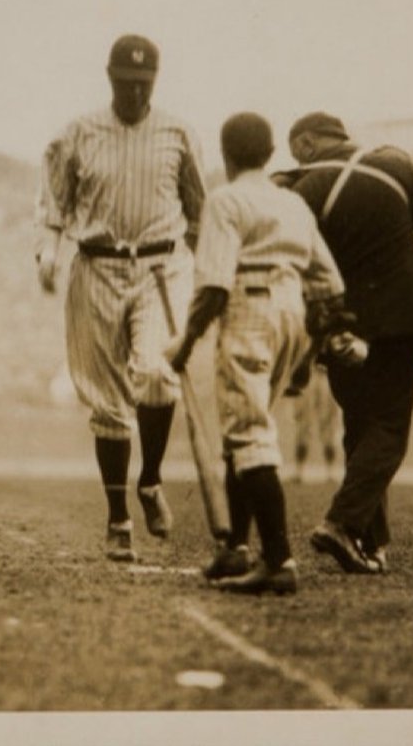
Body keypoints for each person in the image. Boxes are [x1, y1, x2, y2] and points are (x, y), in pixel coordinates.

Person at [285, 111, 413, 574]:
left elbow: (290, 263)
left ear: (310, 142)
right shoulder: (396, 164)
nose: (294, 155)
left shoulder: (303, 188)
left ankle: (369, 542)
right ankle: (342, 523)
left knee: (361, 427)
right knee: (389, 429)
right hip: (403, 318)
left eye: (295, 146)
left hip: (343, 324)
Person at [164, 112, 353, 595]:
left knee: (248, 434)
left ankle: (277, 559)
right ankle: (235, 550)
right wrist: (315, 346)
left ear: (226, 156)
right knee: (242, 427)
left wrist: (184, 344)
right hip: (292, 311)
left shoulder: (226, 199)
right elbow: (328, 282)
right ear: (271, 155)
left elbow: (213, 286)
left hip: (250, 308)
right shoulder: (290, 202)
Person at [36, 34, 206, 562]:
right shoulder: (79, 133)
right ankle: (117, 519)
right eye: (125, 84)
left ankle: (150, 480)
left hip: (160, 264)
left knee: (157, 372)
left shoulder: (177, 132)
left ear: (155, 82)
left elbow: (198, 209)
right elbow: (55, 206)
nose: (134, 94)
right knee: (107, 401)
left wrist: (198, 269)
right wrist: (48, 253)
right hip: (97, 264)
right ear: (110, 78)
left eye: (143, 85)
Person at [286, 360, 340, 484]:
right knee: (303, 424)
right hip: (308, 372)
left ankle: (330, 471)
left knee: (328, 425)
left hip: (327, 373)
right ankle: (299, 470)